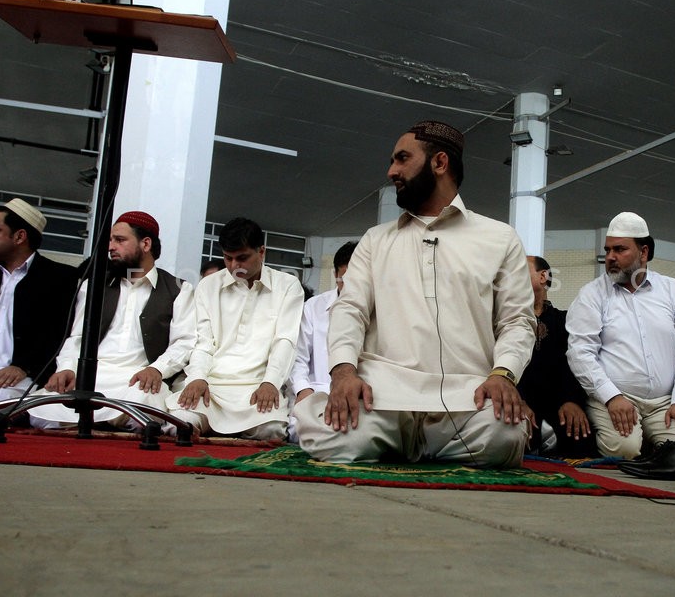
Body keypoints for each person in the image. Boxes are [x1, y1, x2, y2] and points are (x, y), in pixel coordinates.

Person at [294, 120, 535, 468]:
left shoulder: (500, 238)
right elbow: (350, 310)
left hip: (466, 396)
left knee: (505, 435)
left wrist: (502, 375)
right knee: (319, 432)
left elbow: (517, 320)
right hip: (384, 397)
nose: (392, 171)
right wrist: (344, 372)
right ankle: (414, 444)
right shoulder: (376, 240)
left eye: (402, 158)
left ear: (439, 163)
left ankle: (399, 449)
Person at [566, 211, 675, 476]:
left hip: (666, 402)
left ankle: (659, 449)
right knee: (624, 450)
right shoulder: (592, 294)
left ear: (643, 252)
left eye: (619, 249)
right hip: (615, 399)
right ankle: (652, 451)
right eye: (608, 250)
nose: (610, 257)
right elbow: (580, 353)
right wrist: (612, 397)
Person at [28, 211, 195, 430]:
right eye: (110, 240)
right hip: (90, 377)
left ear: (146, 244)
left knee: (145, 406)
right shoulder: (93, 286)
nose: (110, 247)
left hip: (137, 380)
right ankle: (105, 422)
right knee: (41, 410)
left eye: (120, 240)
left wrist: (157, 370)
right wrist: (67, 368)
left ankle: (89, 423)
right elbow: (77, 336)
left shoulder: (179, 289)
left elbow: (184, 342)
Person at [167, 217, 304, 440]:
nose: (233, 266)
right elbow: (203, 341)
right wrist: (198, 378)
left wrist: (270, 382)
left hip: (257, 384)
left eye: (242, 258)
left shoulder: (287, 286)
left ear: (262, 252)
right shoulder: (208, 286)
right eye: (228, 258)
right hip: (213, 384)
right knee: (181, 424)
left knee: (271, 431)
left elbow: (285, 340)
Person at [0, 199, 79, 411]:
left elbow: (59, 336)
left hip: (17, 375)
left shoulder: (60, 279)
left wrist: (23, 367)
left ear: (19, 236)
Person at [518, 255, 596, 457]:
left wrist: (572, 401)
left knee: (580, 439)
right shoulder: (506, 321)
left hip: (558, 403)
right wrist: (517, 400)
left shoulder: (565, 321)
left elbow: (576, 362)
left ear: (543, 276)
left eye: (520, 269)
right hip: (518, 402)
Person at [286, 241, 357, 441]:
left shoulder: (380, 309)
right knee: (304, 431)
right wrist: (302, 389)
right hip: (316, 393)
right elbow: (297, 358)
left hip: (357, 398)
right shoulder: (314, 308)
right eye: (346, 279)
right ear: (336, 275)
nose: (354, 287)